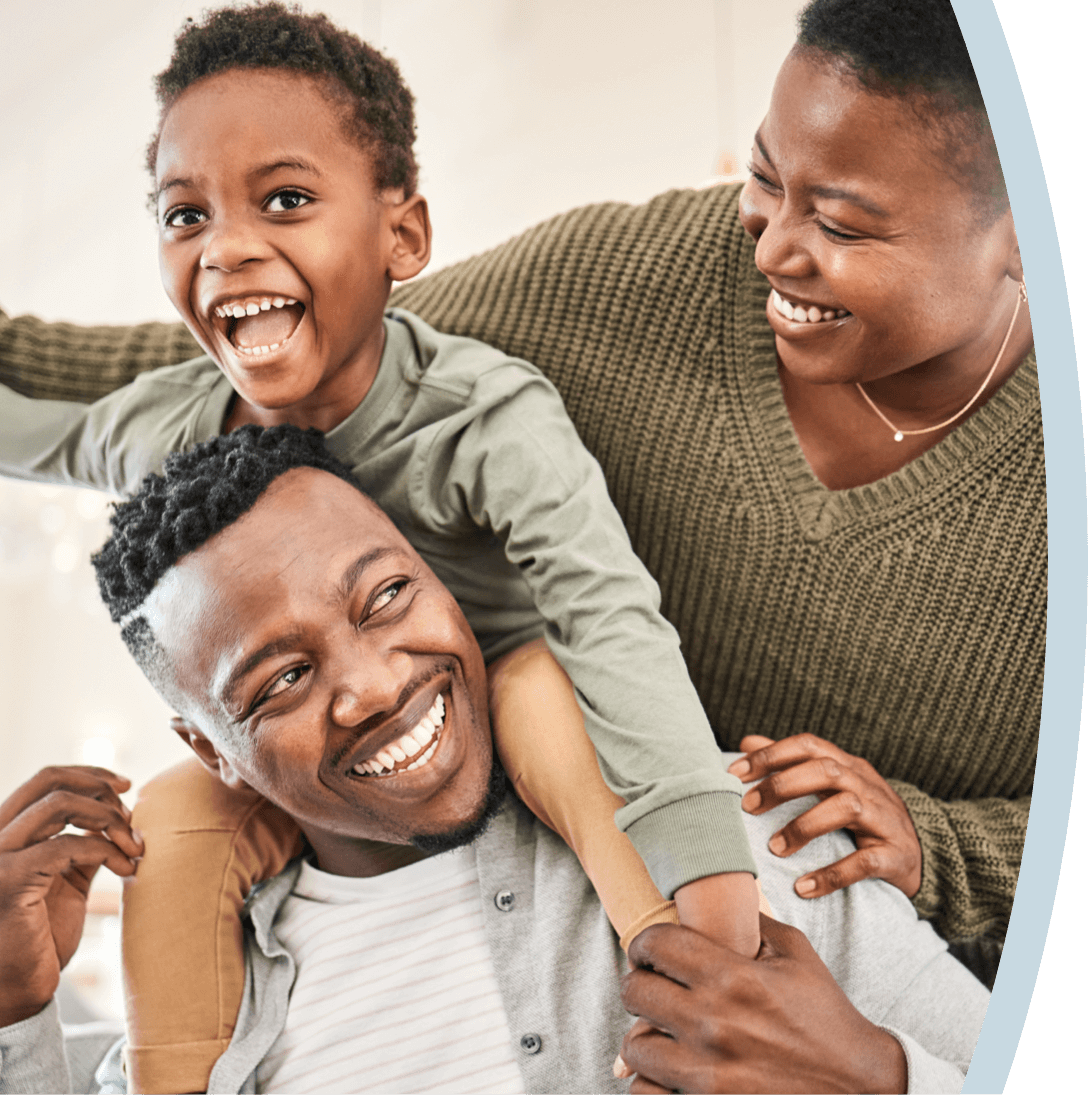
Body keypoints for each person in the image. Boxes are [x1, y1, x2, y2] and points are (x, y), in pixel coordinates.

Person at [1, 0, 1037, 973]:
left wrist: (933, 850)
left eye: (843, 225)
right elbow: (281, 337)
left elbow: (606, 616)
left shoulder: (486, 422)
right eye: (765, 180)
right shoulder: (624, 281)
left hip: (872, 953)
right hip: (473, 868)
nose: (768, 246)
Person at [0, 2, 765, 1092]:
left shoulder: (481, 417)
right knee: (172, 813)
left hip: (497, 713)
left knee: (543, 687)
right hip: (331, 773)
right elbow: (42, 431)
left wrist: (714, 886)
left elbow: (609, 616)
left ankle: (698, 990)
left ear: (400, 236)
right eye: (185, 216)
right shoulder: (172, 430)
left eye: (285, 200)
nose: (226, 247)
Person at [0, 425, 989, 1095]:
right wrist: (13, 1007)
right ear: (207, 751)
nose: (373, 687)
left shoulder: (728, 842)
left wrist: (876, 1077)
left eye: (384, 597)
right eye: (278, 681)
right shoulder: (202, 1003)